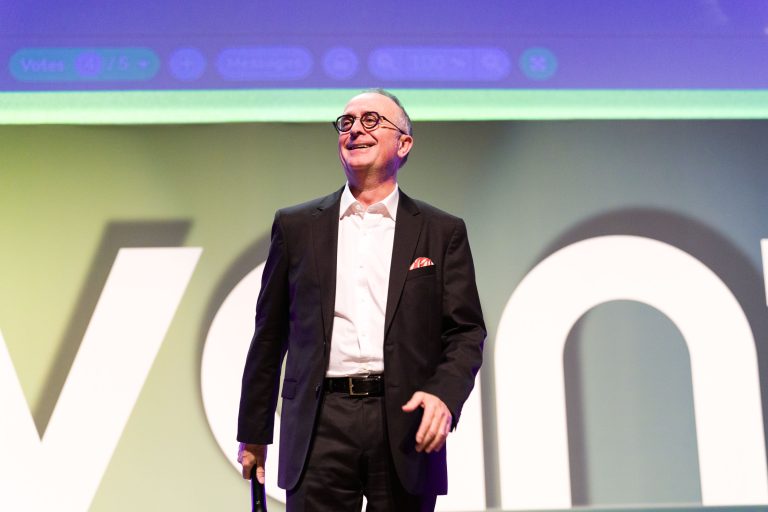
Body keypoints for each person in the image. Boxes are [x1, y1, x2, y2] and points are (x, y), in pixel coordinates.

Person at [237, 89, 486, 512]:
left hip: (404, 421)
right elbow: (270, 333)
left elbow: (465, 332)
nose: (355, 129)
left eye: (372, 120)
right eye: (347, 121)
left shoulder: (442, 231)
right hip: (320, 423)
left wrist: (444, 396)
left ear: (403, 144)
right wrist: (254, 431)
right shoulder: (296, 226)